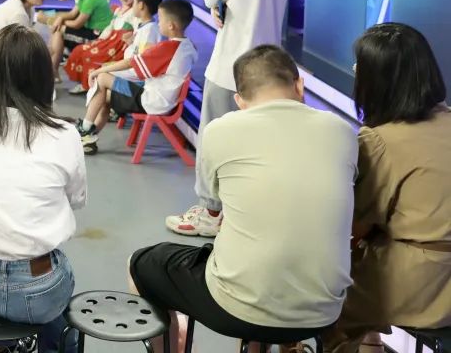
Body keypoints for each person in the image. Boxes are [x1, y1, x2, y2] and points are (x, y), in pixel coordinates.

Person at [130, 46, 355, 353]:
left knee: (141, 264)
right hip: (324, 313)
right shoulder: (342, 131)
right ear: (299, 84)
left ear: (238, 100)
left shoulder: (220, 130)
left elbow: (214, 201)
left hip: (235, 309)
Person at [166, 0, 292, 238]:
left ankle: (211, 212)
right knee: (257, 143)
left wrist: (217, 4)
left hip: (232, 65)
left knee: (214, 139)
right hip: (270, 65)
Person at [0, 24, 86, 353]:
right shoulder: (64, 134)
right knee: (56, 291)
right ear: (43, 76)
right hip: (39, 285)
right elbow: (77, 199)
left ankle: (7, 345)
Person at [324, 24, 451, 353]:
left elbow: (357, 225)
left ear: (376, 81)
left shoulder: (379, 141)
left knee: (319, 305)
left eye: (359, 67)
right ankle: (372, 340)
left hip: (422, 282)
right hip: (441, 276)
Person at [78, 0, 196, 154]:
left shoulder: (168, 48)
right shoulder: (189, 46)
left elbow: (130, 63)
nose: (158, 23)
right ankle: (88, 137)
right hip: (163, 98)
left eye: (160, 19)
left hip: (151, 100)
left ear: (171, 26)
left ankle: (85, 130)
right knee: (104, 95)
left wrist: (98, 71)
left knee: (102, 78)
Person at [63, 0, 153, 95]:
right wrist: (100, 39)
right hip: (109, 41)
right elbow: (110, 27)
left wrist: (131, 38)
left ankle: (89, 85)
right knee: (79, 50)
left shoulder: (134, 13)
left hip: (118, 46)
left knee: (89, 56)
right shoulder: (117, 10)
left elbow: (137, 30)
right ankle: (84, 81)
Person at [48, 0, 113, 79]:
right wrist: (59, 19)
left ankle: (53, 70)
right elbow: (72, 14)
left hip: (99, 36)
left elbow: (77, 24)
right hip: (91, 31)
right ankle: (53, 69)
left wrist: (60, 22)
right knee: (58, 30)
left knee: (59, 30)